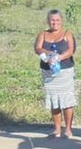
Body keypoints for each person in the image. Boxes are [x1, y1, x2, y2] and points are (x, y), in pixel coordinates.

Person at [33, 9, 77, 139]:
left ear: (61, 20)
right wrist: (49, 55)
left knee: (66, 99)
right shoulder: (43, 34)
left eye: (57, 20)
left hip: (65, 71)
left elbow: (71, 50)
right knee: (54, 100)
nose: (55, 22)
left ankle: (68, 129)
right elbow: (37, 48)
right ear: (48, 21)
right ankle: (57, 129)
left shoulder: (67, 34)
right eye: (52, 20)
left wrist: (59, 57)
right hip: (48, 72)